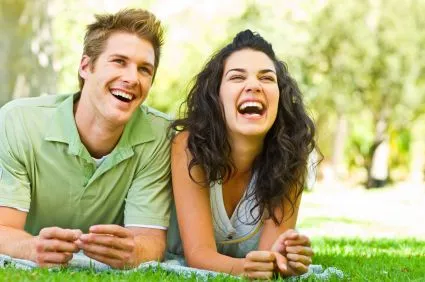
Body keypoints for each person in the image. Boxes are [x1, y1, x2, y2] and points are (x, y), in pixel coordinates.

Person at [0, 9, 171, 269]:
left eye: (144, 69)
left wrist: (134, 251)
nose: (132, 78)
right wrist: (32, 248)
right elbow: (3, 228)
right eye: (119, 61)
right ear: (85, 67)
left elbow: (150, 239)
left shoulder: (159, 134)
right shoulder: (20, 121)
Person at [166, 30, 318, 279]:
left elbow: (269, 259)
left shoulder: (292, 155)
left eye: (267, 79)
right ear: (216, 95)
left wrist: (283, 261)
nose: (253, 86)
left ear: (280, 96)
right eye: (237, 77)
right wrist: (246, 269)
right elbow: (199, 254)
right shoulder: (189, 147)